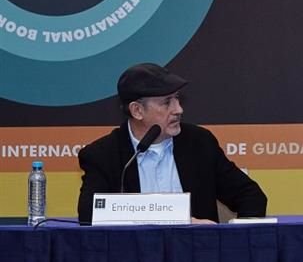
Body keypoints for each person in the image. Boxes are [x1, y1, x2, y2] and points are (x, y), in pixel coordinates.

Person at [77, 62, 267, 224]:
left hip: (195, 258)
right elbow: (89, 215)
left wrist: (235, 242)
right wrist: (179, 220)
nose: (179, 109)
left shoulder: (199, 143)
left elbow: (251, 196)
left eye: (177, 99)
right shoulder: (103, 155)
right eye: (167, 102)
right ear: (137, 111)